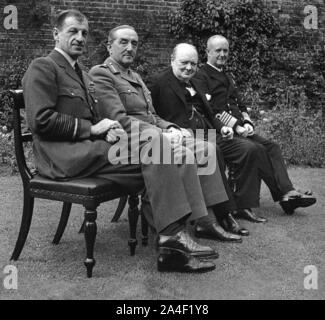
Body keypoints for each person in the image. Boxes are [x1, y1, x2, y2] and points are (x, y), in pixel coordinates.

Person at [22, 10, 218, 274]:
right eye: (73, 32)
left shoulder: (80, 72)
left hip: (91, 149)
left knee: (174, 153)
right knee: (157, 147)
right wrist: (93, 129)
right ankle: (172, 241)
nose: (80, 38)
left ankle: (175, 240)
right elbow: (40, 120)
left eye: (84, 33)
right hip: (63, 157)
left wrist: (107, 130)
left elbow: (98, 117)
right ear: (56, 34)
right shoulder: (43, 67)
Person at [89, 25, 245, 247]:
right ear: (109, 46)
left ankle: (205, 220)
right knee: (183, 153)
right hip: (124, 143)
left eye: (134, 43)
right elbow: (119, 120)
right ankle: (175, 230)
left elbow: (152, 115)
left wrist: (171, 128)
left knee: (205, 148)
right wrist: (162, 133)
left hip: (151, 138)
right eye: (123, 42)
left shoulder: (135, 76)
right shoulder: (101, 74)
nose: (130, 48)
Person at [194, 35, 316, 215]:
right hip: (220, 130)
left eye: (225, 50)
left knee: (271, 147)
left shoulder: (227, 76)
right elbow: (210, 109)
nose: (222, 54)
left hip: (239, 128)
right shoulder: (201, 76)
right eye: (217, 50)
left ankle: (287, 192)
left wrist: (247, 121)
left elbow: (239, 104)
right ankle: (285, 195)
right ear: (207, 52)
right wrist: (237, 126)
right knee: (256, 148)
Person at [150, 43, 257, 236]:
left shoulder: (194, 82)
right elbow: (151, 116)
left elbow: (209, 112)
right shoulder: (159, 83)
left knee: (247, 148)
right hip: (182, 136)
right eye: (184, 63)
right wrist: (170, 130)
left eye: (193, 64)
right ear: (172, 60)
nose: (189, 68)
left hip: (207, 132)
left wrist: (222, 127)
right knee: (212, 151)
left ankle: (237, 206)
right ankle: (224, 214)